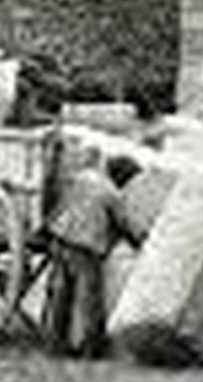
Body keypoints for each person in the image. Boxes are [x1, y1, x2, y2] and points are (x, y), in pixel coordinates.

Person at [44, 153, 145, 358]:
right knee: (89, 301)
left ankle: (55, 345)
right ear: (122, 178)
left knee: (62, 297)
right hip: (85, 247)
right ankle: (90, 348)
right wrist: (141, 243)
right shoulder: (112, 194)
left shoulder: (83, 177)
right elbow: (124, 224)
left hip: (61, 238)